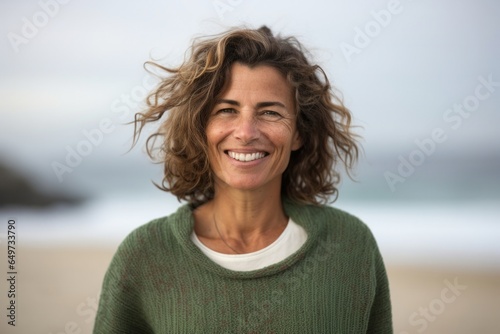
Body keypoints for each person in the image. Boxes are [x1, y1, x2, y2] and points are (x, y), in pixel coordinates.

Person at [94, 25, 392, 333]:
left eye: (270, 113)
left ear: (299, 133)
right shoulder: (144, 256)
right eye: (226, 110)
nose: (246, 132)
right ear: (200, 128)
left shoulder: (349, 246)